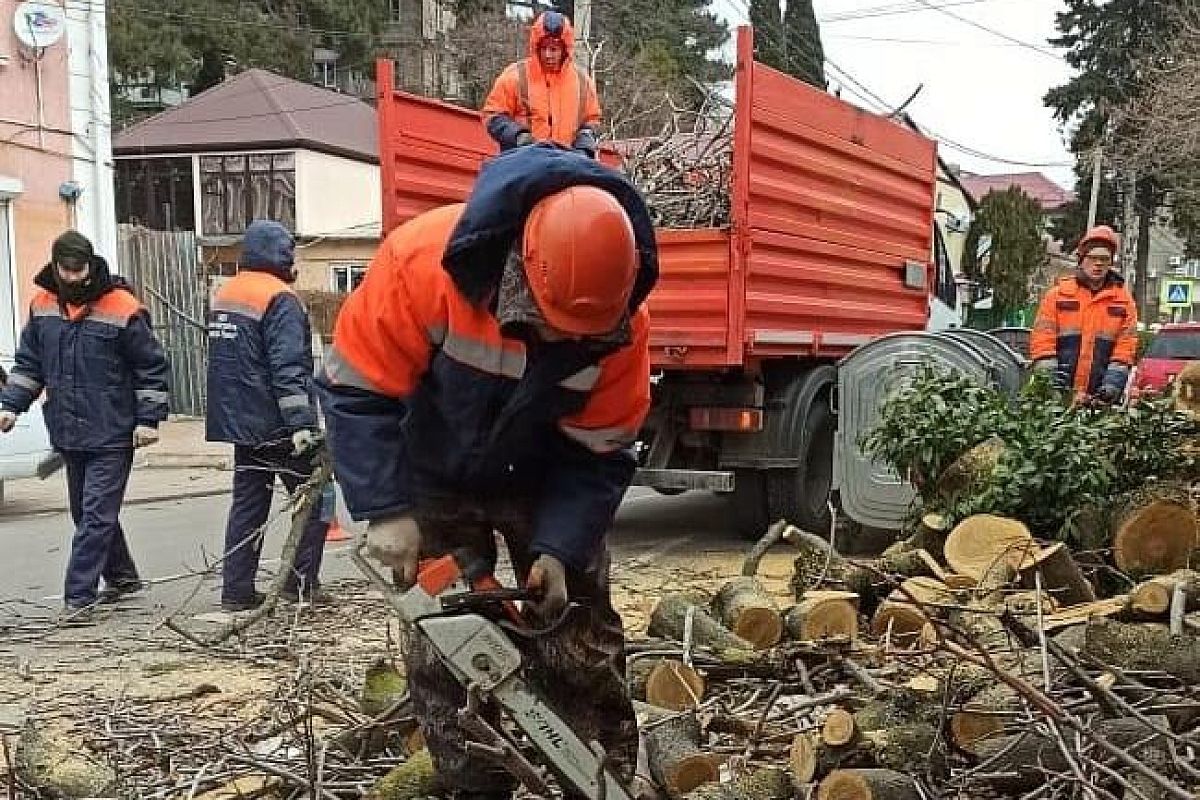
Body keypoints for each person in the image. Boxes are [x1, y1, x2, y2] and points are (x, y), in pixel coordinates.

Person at [318, 145, 657, 797]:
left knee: (579, 632)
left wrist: (561, 547)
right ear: (522, 267)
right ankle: (474, 784)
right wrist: (385, 507)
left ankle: (605, 778)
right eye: (553, 326)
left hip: (544, 476)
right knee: (448, 647)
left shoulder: (622, 324)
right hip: (435, 469)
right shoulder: (422, 264)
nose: (564, 342)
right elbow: (357, 389)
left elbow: (602, 450)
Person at [0, 230, 169, 620]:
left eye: (81, 270)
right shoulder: (42, 305)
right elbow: (30, 365)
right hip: (68, 430)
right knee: (86, 513)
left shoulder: (123, 307)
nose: (75, 278)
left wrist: (148, 420)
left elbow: (151, 368)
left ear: (91, 266)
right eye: (68, 271)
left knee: (95, 515)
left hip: (113, 429)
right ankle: (123, 578)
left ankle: (78, 597)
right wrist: (11, 406)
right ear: (57, 269)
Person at [206, 220, 328, 612]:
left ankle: (236, 592)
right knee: (317, 499)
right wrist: (302, 425)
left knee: (247, 506)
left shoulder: (228, 293)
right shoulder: (280, 298)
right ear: (283, 255)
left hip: (240, 424)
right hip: (278, 425)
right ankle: (300, 585)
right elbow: (287, 366)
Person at [1031, 224, 1139, 403]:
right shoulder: (1057, 296)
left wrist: (1111, 387)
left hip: (1099, 396)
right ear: (1081, 259)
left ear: (1111, 262)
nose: (1098, 264)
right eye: (1093, 257)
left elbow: (1125, 348)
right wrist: (1051, 386)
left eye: (1104, 259)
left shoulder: (1123, 301)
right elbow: (1042, 342)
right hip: (1058, 394)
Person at [482, 9, 602, 157]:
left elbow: (592, 120)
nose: (548, 54)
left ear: (565, 50)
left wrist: (584, 146)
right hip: (523, 163)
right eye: (543, 48)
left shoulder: (583, 83)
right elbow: (493, 116)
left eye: (554, 49)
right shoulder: (515, 76)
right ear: (536, 47)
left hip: (568, 166)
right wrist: (519, 136)